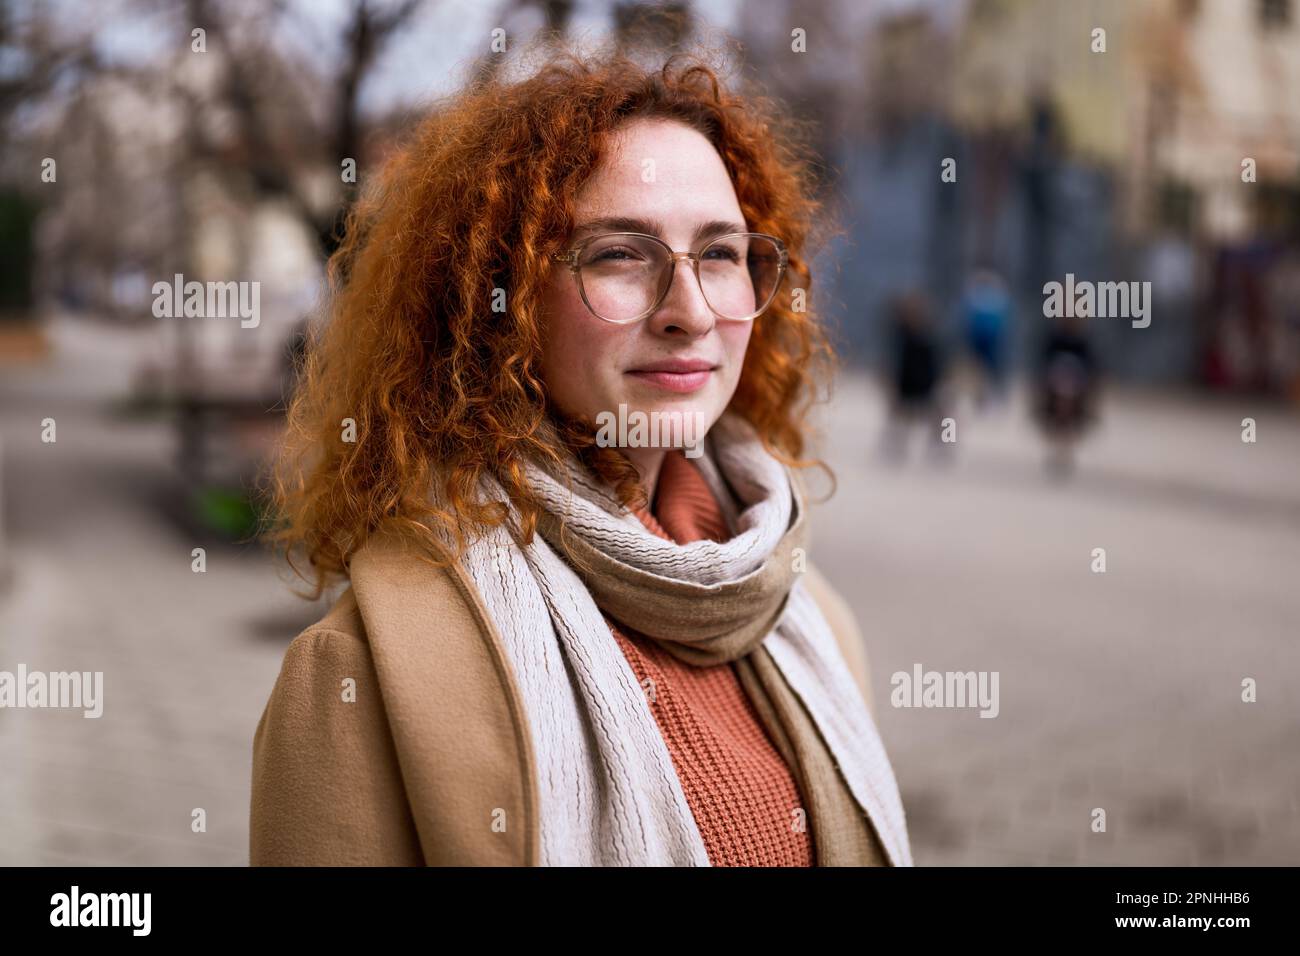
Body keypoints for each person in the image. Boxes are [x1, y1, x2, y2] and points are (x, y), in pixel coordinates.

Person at [250, 45, 911, 868]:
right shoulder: (365, 678)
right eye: (619, 254)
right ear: (502, 302)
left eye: (720, 253)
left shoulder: (810, 619)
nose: (690, 311)